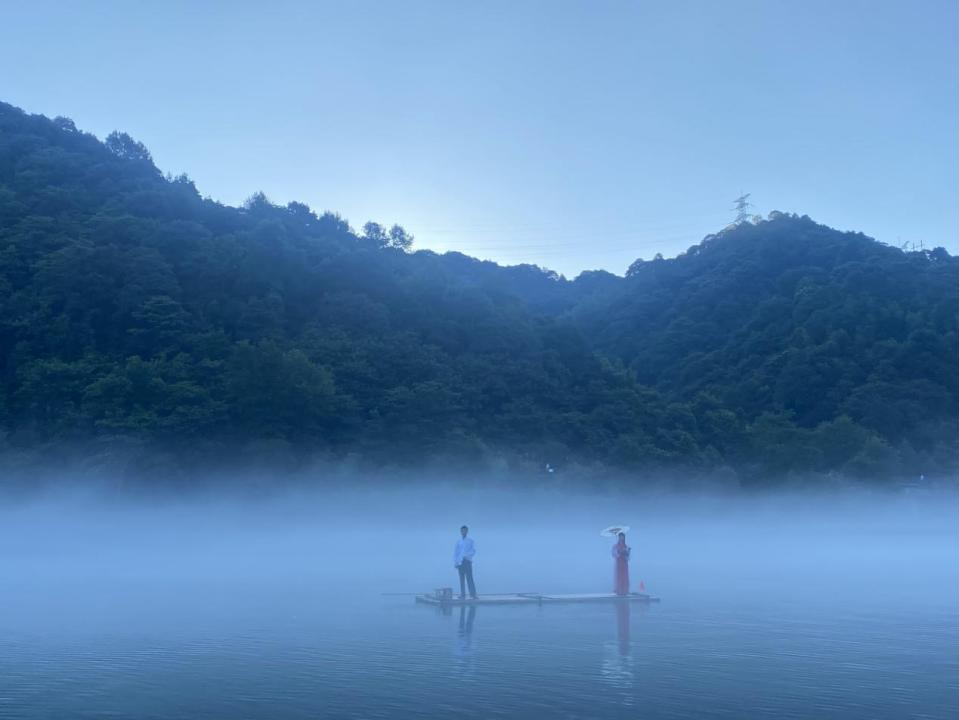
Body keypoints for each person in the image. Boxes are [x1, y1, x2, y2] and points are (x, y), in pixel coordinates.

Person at [454, 525, 477, 599]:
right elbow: (456, 553)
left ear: (467, 531)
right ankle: (462, 595)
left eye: (465, 530)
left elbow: (473, 551)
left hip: (467, 561)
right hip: (460, 562)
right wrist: (456, 562)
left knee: (469, 578)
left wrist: (466, 555)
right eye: (462, 530)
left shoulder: (470, 540)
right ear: (460, 531)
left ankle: (473, 595)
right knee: (461, 579)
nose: (463, 532)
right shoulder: (459, 541)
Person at [612, 531, 630, 596]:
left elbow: (628, 557)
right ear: (618, 538)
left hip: (624, 563)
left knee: (625, 576)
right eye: (620, 537)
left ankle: (625, 591)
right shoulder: (615, 546)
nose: (621, 538)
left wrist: (627, 552)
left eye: (623, 537)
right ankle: (618, 591)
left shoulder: (626, 546)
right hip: (619, 563)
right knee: (619, 576)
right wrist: (619, 552)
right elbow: (614, 554)